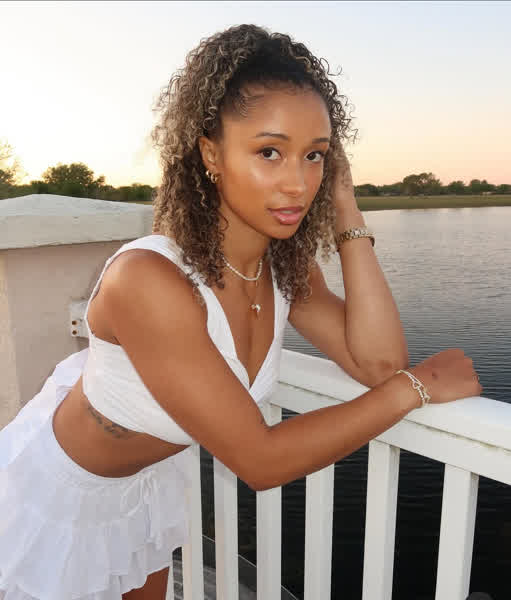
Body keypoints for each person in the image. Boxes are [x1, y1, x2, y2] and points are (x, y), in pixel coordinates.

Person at [0, 24, 482, 600]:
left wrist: (346, 207)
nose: (297, 183)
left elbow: (377, 362)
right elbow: (260, 460)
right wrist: (415, 389)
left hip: (144, 485)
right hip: (56, 496)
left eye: (315, 156)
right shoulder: (150, 279)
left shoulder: (283, 267)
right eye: (269, 152)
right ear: (212, 153)